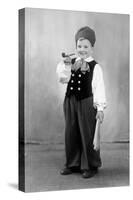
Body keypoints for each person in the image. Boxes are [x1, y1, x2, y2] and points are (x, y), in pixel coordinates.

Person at [56, 26, 107, 178]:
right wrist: (66, 65)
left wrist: (100, 108)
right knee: (71, 133)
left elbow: (99, 88)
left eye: (86, 46)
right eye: (79, 46)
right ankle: (72, 163)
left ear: (92, 47)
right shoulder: (70, 62)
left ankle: (90, 165)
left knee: (87, 133)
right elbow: (62, 78)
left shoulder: (95, 67)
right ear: (75, 46)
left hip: (86, 102)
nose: (82, 49)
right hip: (70, 101)